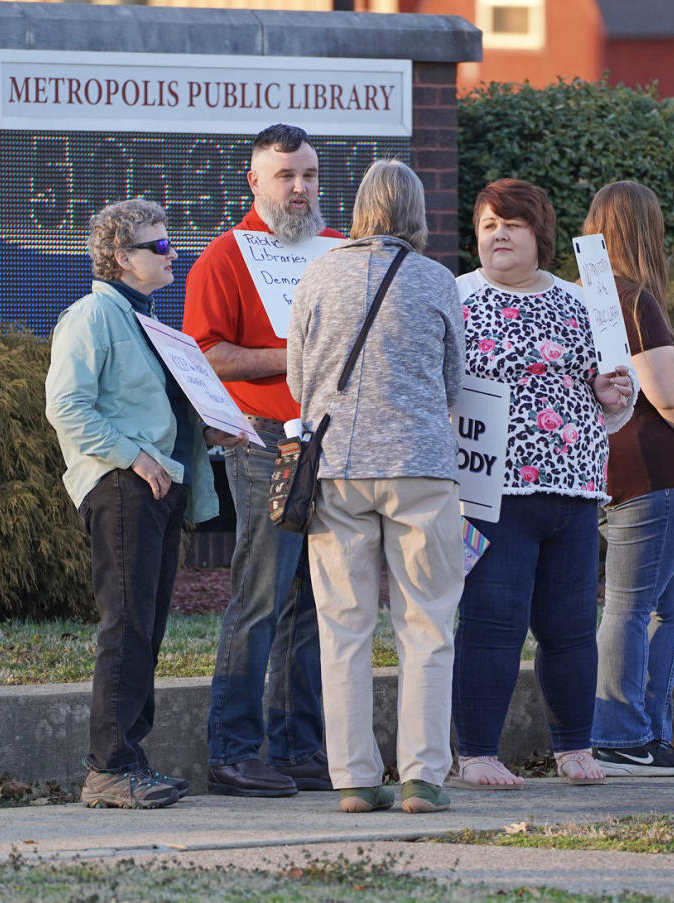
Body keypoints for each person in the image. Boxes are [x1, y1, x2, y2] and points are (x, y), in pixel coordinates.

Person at [46, 199, 247, 809]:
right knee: (127, 625)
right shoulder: (92, 317)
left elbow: (154, 409)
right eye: (158, 247)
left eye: (170, 243)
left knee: (148, 627)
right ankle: (108, 769)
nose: (172, 254)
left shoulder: (150, 321)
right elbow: (68, 408)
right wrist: (134, 457)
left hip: (157, 488)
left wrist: (212, 430)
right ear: (118, 257)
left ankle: (130, 759)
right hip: (121, 486)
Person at [288, 160, 465, 814]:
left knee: (343, 626)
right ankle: (423, 776)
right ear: (417, 212)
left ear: (360, 207)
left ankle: (355, 778)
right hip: (420, 465)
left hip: (335, 467)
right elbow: (454, 384)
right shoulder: (437, 281)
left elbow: (297, 380)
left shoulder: (317, 274)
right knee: (427, 623)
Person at [450, 178, 635, 789]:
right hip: (491, 493)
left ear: (539, 234)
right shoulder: (456, 299)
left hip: (575, 491)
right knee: (492, 622)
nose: (499, 233)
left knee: (572, 624)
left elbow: (614, 402)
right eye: (488, 225)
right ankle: (476, 753)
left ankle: (575, 749)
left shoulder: (583, 302)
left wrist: (612, 396)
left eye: (513, 223)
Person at [183, 123, 343, 797]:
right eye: (286, 176)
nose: (301, 188)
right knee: (261, 592)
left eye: (309, 174)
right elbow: (208, 352)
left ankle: (301, 746)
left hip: (340, 439)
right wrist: (299, 354)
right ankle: (234, 749)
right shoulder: (225, 256)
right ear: (255, 182)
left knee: (316, 599)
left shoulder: (340, 249)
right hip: (267, 439)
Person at [582, 182, 674, 777]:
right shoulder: (635, 301)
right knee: (633, 609)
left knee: (668, 611)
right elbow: (668, 397)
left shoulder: (584, 297)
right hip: (656, 471)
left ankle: (651, 733)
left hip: (609, 469)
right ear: (643, 231)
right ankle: (620, 734)